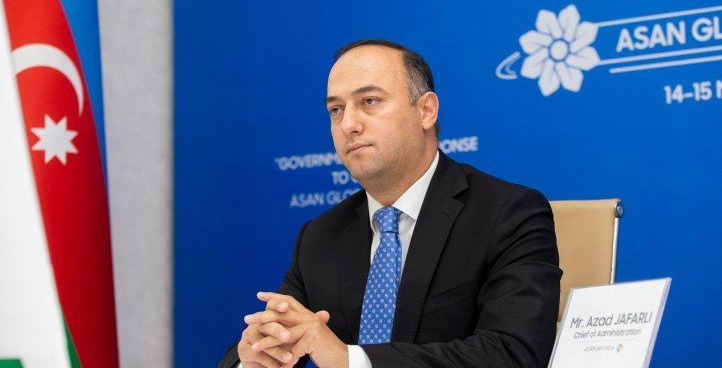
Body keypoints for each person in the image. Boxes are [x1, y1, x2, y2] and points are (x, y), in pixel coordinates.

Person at [219, 39, 561, 368]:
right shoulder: (320, 237)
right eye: (336, 109)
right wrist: (255, 358)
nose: (348, 124)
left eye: (369, 101)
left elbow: (513, 353)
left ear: (426, 111)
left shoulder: (507, 214)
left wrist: (349, 361)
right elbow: (278, 341)